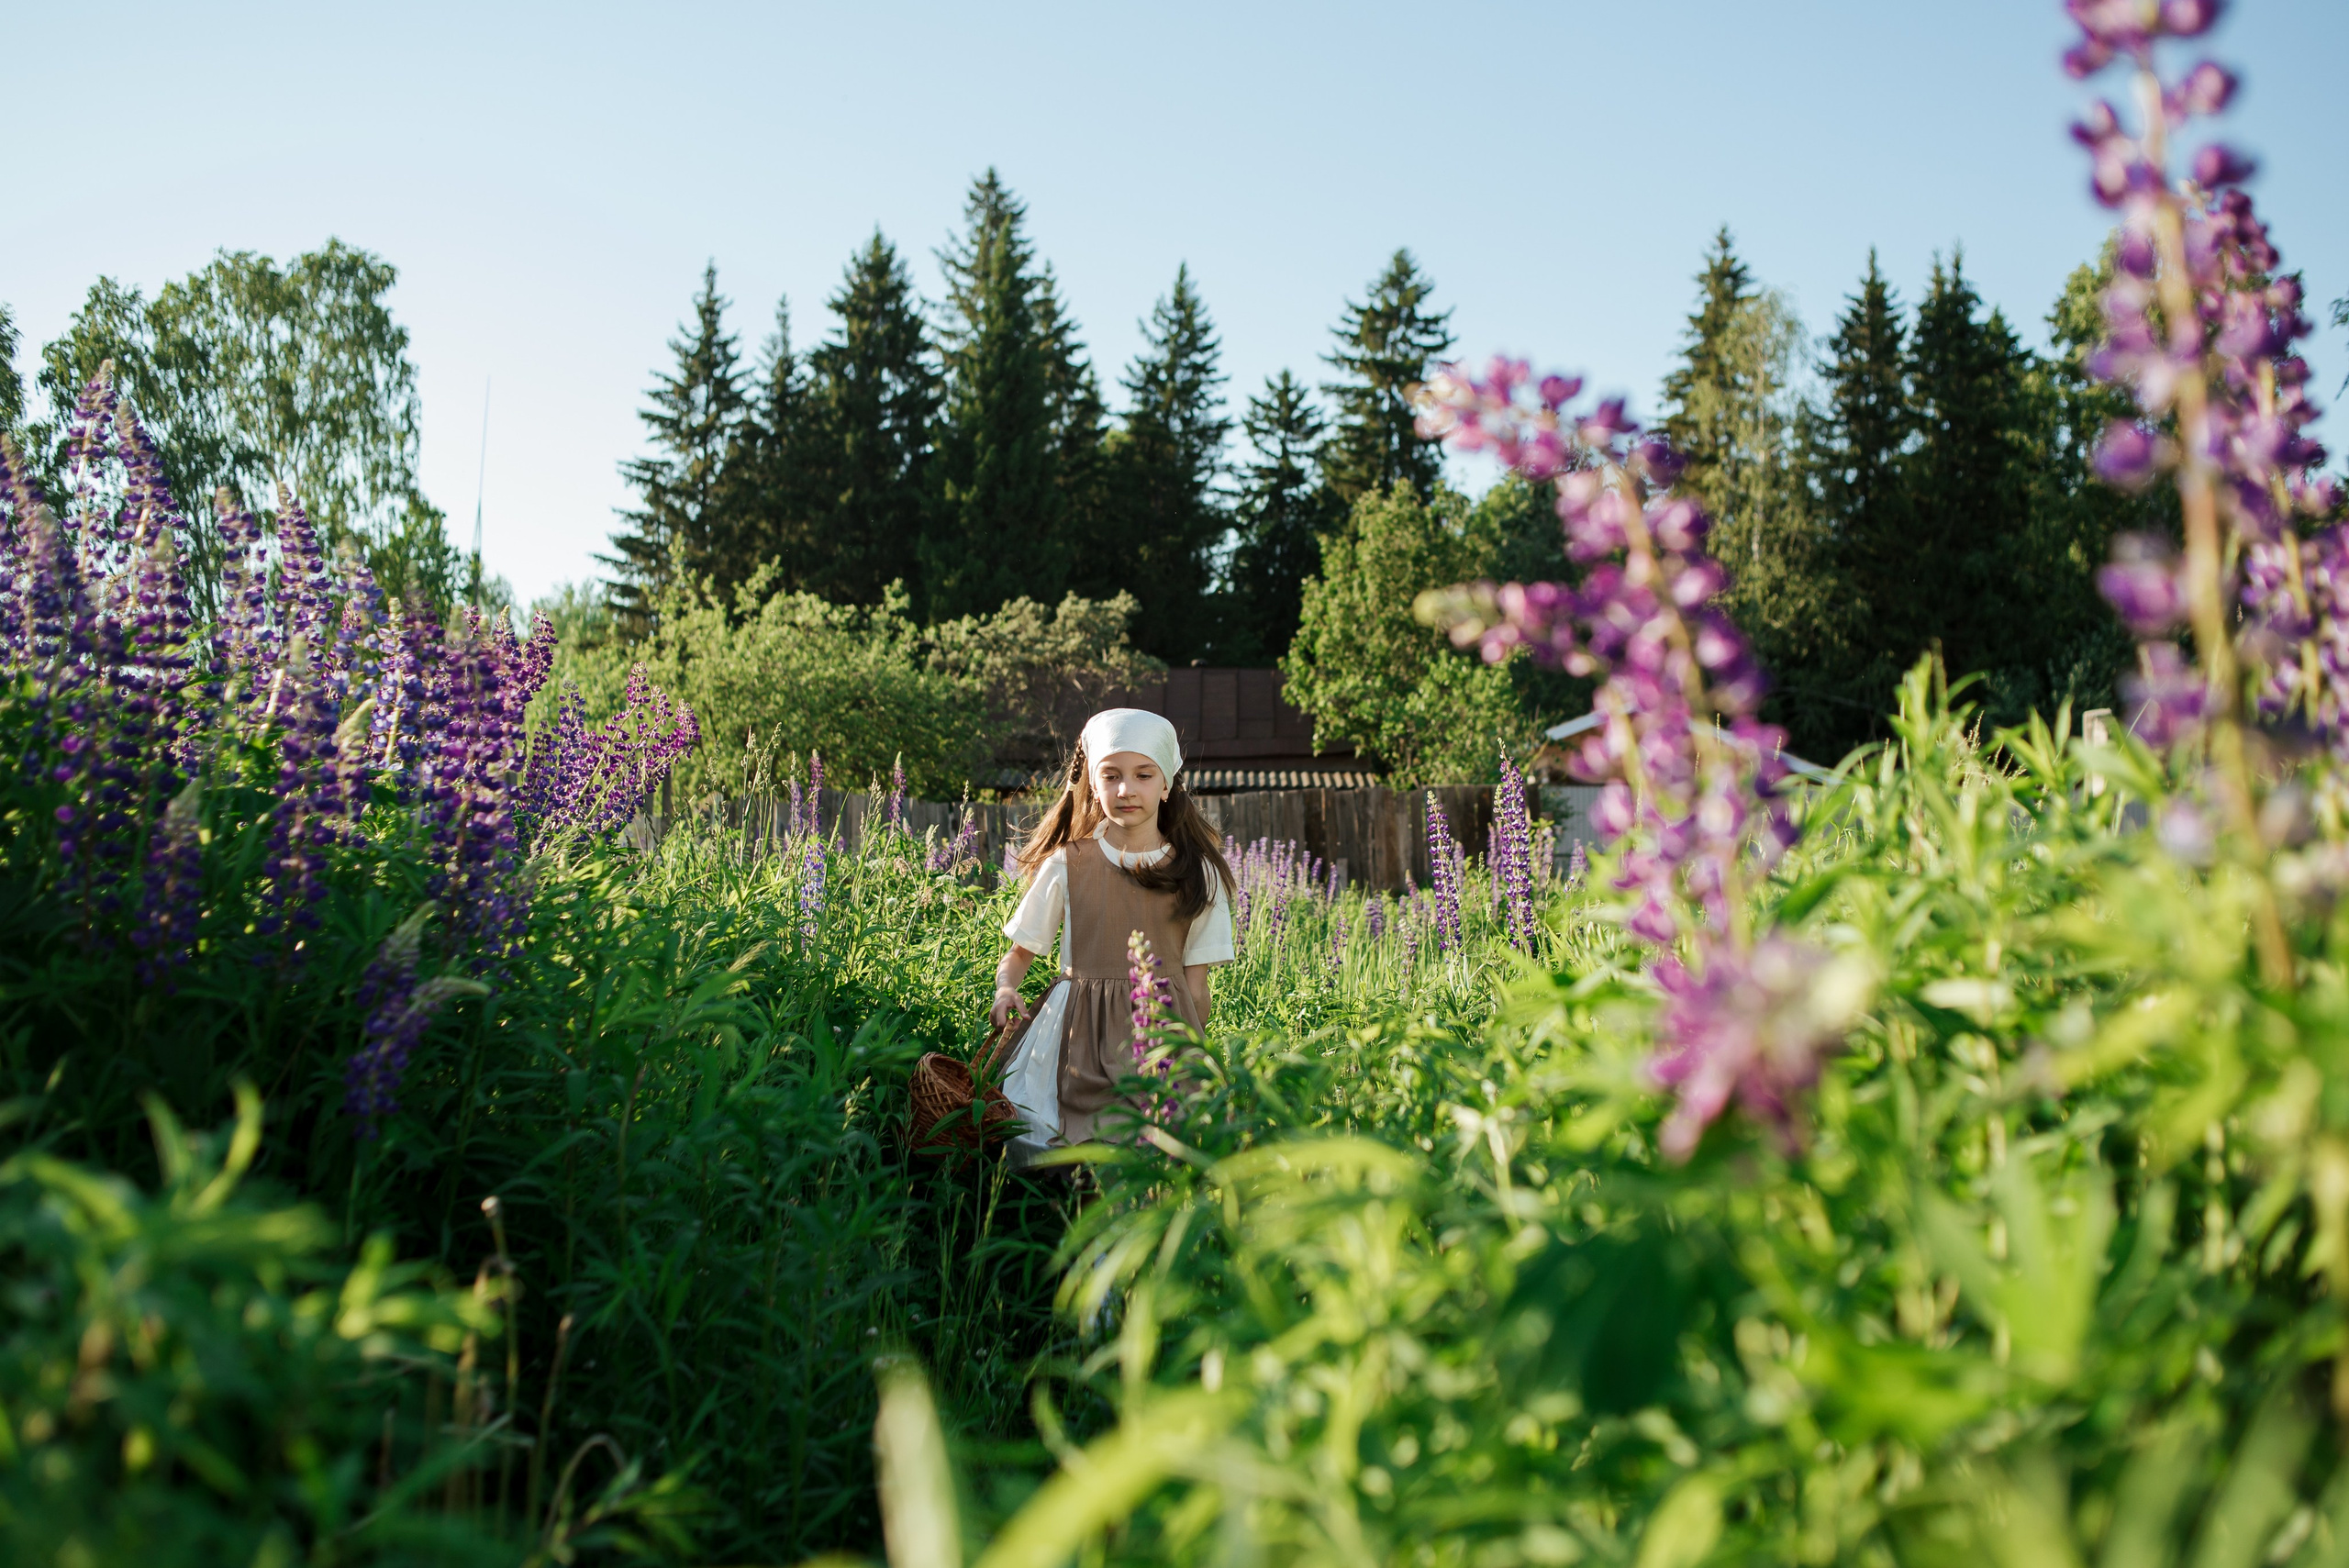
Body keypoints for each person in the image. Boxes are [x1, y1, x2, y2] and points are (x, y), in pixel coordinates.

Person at [990, 707, 1237, 1155]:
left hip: (1159, 1038)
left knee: (1153, 1150)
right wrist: (1006, 989)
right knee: (1056, 1144)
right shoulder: (1069, 862)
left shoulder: (1198, 874)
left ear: (1166, 786)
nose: (1126, 790)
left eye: (1144, 775)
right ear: (1093, 786)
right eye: (1111, 776)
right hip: (1072, 1039)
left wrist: (1191, 1058)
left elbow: (1197, 991)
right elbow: (1020, 953)